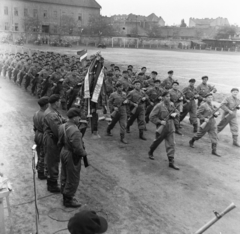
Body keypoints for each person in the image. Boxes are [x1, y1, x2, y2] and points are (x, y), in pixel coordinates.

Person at [58, 108, 87, 207]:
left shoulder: (62, 126)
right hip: (72, 155)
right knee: (73, 177)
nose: (79, 119)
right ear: (74, 118)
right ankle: (69, 200)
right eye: (78, 117)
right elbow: (78, 149)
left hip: (64, 151)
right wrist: (84, 153)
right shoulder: (75, 131)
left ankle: (65, 195)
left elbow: (60, 141)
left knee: (64, 174)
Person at [148, 91, 180, 170]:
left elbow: (178, 113)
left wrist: (175, 115)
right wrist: (160, 121)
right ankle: (151, 151)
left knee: (171, 144)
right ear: (162, 97)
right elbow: (151, 117)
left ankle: (171, 162)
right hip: (162, 127)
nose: (168, 98)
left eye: (169, 96)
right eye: (166, 96)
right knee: (157, 141)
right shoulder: (159, 106)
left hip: (171, 126)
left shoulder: (172, 105)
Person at [43, 94, 66, 193]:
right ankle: (52, 185)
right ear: (56, 102)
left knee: (52, 161)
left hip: (51, 138)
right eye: (59, 101)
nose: (60, 103)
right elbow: (58, 130)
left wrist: (68, 121)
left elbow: (61, 120)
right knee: (53, 161)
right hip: (52, 140)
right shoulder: (51, 114)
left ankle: (51, 181)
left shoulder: (53, 111)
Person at [33, 96, 49, 180]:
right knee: (43, 154)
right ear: (46, 105)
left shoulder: (36, 113)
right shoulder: (45, 115)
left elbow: (34, 127)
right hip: (43, 135)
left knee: (39, 152)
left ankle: (38, 166)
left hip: (37, 134)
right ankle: (41, 173)